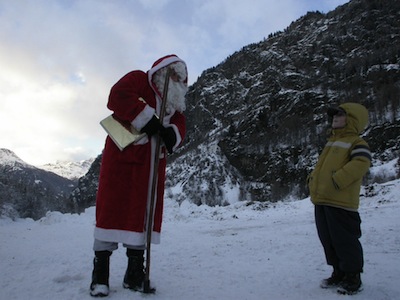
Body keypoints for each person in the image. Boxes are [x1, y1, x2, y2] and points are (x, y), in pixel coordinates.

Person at [90, 54, 188, 297]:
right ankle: (100, 275)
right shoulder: (137, 79)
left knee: (141, 212)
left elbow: (180, 125)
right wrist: (147, 119)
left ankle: (134, 274)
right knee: (111, 209)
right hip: (121, 161)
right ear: (163, 71)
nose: (177, 80)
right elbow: (117, 95)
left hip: (151, 165)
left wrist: (171, 133)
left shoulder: (174, 104)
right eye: (174, 74)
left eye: (181, 78)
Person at [307, 102, 371, 295]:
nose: (335, 117)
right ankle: (338, 272)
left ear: (352, 119)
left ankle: (353, 277)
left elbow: (362, 163)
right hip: (322, 200)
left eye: (340, 114)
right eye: (334, 114)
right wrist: (311, 181)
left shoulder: (357, 142)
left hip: (341, 202)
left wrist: (337, 181)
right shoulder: (331, 141)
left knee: (345, 240)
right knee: (328, 239)